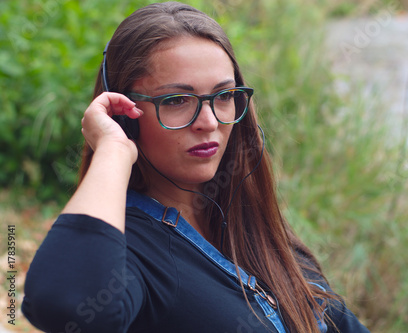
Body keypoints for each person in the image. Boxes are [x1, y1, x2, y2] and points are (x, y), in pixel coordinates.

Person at [21, 2, 370, 332]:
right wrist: (113, 150)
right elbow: (63, 303)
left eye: (223, 96)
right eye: (176, 100)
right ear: (124, 117)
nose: (209, 121)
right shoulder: (130, 250)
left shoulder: (252, 229)